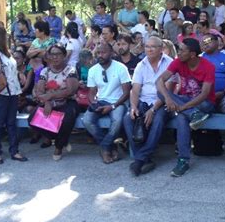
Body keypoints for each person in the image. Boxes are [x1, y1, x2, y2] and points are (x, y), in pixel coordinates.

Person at [156, 38, 215, 177]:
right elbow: (159, 81)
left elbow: (205, 94)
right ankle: (183, 159)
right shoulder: (178, 62)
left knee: (182, 115)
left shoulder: (208, 66)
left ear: (193, 54)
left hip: (205, 103)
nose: (179, 53)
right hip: (185, 101)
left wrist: (183, 108)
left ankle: (183, 160)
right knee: (161, 93)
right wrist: (169, 99)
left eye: (182, 50)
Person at [124, 36, 173, 176]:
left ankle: (139, 159)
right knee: (128, 119)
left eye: (153, 47)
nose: (149, 49)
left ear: (161, 49)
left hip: (163, 102)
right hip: (144, 101)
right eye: (147, 47)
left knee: (158, 119)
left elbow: (167, 91)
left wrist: (153, 109)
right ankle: (145, 157)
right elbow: (135, 89)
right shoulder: (141, 65)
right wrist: (133, 106)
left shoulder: (170, 63)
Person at [83, 43, 131, 164]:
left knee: (117, 121)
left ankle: (104, 147)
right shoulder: (93, 70)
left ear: (111, 53)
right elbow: (91, 92)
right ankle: (110, 146)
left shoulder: (120, 68)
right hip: (100, 101)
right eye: (98, 53)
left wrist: (113, 106)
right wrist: (93, 103)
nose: (100, 55)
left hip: (118, 102)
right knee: (87, 120)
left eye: (103, 52)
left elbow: (126, 93)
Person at [30, 44, 80, 161]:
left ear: (64, 56)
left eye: (58, 54)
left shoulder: (70, 70)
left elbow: (70, 90)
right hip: (48, 102)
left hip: (68, 102)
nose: (55, 57)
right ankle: (62, 139)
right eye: (52, 54)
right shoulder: (45, 71)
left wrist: (51, 95)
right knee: (32, 119)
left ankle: (58, 146)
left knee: (67, 119)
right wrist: (48, 102)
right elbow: (39, 90)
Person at [0, 26, 27, 164]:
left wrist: (19, 74)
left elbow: (10, 69)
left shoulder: (7, 53)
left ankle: (14, 151)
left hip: (13, 91)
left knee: (11, 123)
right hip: (1, 92)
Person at [201, 34, 225, 113]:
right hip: (204, 95)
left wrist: (224, 92)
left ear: (216, 42)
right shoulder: (199, 58)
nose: (205, 44)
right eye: (203, 42)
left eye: (208, 41)